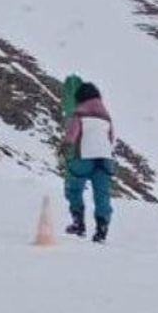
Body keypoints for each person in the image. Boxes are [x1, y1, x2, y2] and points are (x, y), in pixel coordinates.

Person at [62, 81, 115, 242]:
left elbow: (71, 137)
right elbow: (111, 138)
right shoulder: (106, 117)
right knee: (102, 195)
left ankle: (79, 223)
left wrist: (63, 151)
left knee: (74, 189)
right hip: (105, 159)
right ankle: (102, 229)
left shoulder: (79, 113)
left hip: (84, 157)